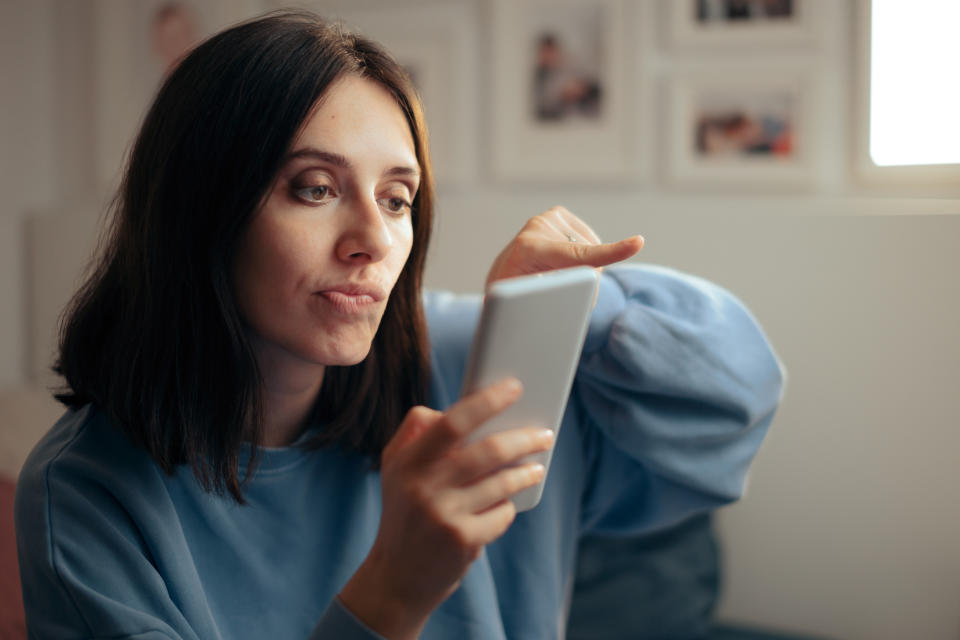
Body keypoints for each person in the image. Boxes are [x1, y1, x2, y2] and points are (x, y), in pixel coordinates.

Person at [14, 11, 785, 640]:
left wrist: (588, 309)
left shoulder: (467, 365)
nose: (375, 241)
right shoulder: (84, 494)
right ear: (199, 211)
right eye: (315, 189)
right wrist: (391, 593)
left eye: (396, 198)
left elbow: (733, 408)